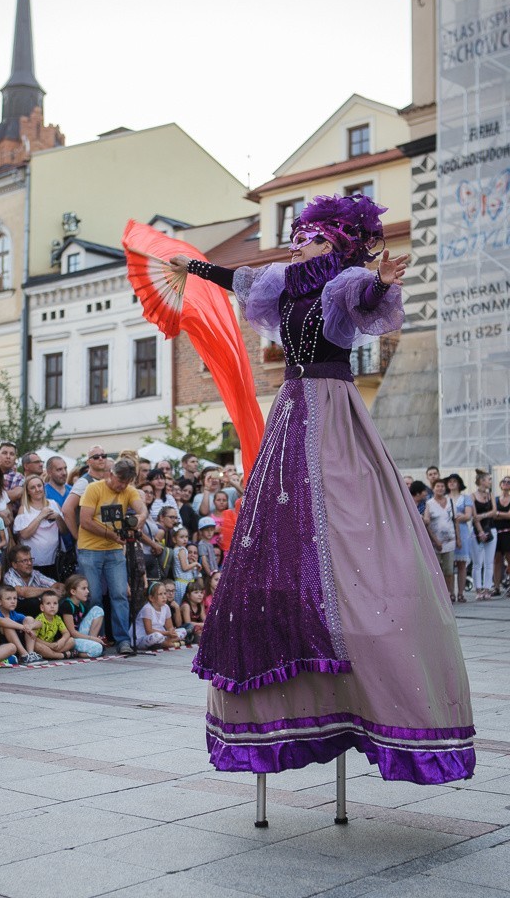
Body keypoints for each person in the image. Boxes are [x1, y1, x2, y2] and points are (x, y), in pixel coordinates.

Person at [168, 192, 474, 783]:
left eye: (309, 235)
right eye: (298, 233)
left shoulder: (344, 282)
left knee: (348, 514)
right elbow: (240, 277)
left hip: (333, 408)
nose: (297, 241)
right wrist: (194, 266)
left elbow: (367, 299)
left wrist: (383, 283)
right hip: (291, 409)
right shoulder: (283, 284)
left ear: (334, 240)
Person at [77, 459, 147, 655]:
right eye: (119, 481)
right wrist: (110, 534)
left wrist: (139, 520)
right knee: (94, 596)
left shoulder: (129, 490)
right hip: (90, 549)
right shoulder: (93, 489)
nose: (122, 486)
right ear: (110, 474)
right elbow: (85, 520)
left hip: (115, 549)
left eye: (126, 482)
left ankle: (122, 640)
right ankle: (94, 639)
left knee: (120, 595)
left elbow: (142, 510)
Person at [14, 476, 67, 579]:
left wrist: (58, 517)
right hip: (33, 561)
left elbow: (64, 531)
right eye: (33, 487)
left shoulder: (53, 503)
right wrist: (41, 516)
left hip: (55, 560)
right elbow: (24, 535)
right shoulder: (24, 509)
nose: (37, 489)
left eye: (39, 486)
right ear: (28, 492)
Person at [62, 445, 108, 540]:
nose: (100, 459)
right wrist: (77, 536)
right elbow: (67, 509)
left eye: (103, 456)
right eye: (96, 457)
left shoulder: (108, 480)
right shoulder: (84, 482)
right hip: (90, 543)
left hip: (108, 539)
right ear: (88, 462)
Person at [423, 479, 457, 601]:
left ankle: (450, 592)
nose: (440, 488)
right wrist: (435, 540)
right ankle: (439, 595)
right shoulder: (429, 503)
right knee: (437, 570)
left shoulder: (451, 502)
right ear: (433, 488)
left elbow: (455, 521)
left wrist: (458, 539)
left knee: (449, 569)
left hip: (450, 540)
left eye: (442, 486)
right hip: (436, 541)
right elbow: (426, 522)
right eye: (438, 486)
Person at [0, 585, 41, 664]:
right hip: (4, 647)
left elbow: (39, 623)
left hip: (17, 645)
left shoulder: (15, 614)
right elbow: (2, 621)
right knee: (8, 625)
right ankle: (24, 655)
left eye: (15, 598)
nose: (13, 601)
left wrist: (30, 626)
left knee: (29, 619)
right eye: (8, 599)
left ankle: (30, 654)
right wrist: (24, 627)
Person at [58, 574, 105, 657]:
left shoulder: (81, 605)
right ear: (73, 591)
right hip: (71, 639)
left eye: (87, 588)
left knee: (98, 610)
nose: (87, 591)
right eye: (83, 588)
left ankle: (92, 643)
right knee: (97, 649)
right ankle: (74, 653)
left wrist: (92, 638)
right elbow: (72, 633)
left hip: (79, 635)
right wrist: (92, 639)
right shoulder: (67, 605)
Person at [132, 581, 186, 651]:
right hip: (144, 637)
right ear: (151, 598)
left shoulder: (166, 607)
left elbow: (170, 627)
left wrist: (172, 632)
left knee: (183, 631)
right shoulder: (147, 608)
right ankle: (169, 643)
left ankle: (165, 643)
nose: (164, 597)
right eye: (160, 594)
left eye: (164, 593)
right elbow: (149, 631)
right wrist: (167, 633)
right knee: (157, 636)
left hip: (163, 635)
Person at [445, 474, 472, 604]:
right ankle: (450, 592)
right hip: (447, 533)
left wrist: (455, 517)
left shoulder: (465, 498)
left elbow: (468, 515)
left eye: (454, 481)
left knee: (461, 564)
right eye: (449, 481)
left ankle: (461, 592)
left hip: (462, 531)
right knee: (448, 564)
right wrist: (457, 516)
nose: (451, 483)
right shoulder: (444, 498)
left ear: (459, 483)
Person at [471, 469, 497, 601]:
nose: (490, 482)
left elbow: (494, 511)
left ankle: (487, 588)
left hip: (491, 529)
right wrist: (480, 531)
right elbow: (474, 516)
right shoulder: (472, 496)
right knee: (477, 562)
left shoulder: (490, 494)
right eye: (489, 479)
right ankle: (478, 589)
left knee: (489, 561)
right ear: (481, 481)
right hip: (477, 531)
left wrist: (483, 515)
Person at [33, 590, 74, 660]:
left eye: (55, 603)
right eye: (48, 603)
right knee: (36, 646)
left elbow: (66, 633)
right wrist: (49, 645)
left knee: (72, 641)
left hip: (54, 646)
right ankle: (60, 655)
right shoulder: (39, 619)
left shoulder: (57, 619)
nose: (52, 606)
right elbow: (34, 638)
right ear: (42, 607)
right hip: (44, 645)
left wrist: (62, 640)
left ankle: (51, 655)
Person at [172, 526, 201, 604]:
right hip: (183, 584)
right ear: (174, 539)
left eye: (186, 537)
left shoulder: (176, 549)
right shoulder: (182, 550)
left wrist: (195, 569)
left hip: (183, 583)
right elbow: (184, 568)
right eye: (181, 537)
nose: (185, 539)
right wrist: (195, 563)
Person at [494, 475, 510, 596]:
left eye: (509, 482)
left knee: (509, 559)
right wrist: (500, 514)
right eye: (504, 481)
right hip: (497, 532)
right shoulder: (495, 499)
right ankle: (496, 587)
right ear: (500, 484)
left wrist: (498, 513)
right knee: (497, 560)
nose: (506, 483)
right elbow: (492, 514)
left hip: (508, 532)